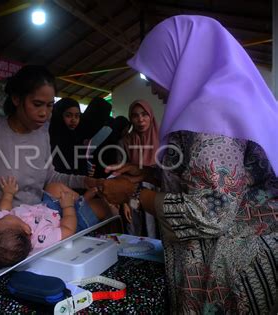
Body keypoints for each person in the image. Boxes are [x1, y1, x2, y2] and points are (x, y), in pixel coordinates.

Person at [100, 15, 277, 313]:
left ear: (179, 60)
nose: (151, 87)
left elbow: (210, 213)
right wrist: (149, 174)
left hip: (228, 274)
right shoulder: (235, 98)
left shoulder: (211, 114)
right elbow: (218, 177)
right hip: (251, 259)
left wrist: (135, 195)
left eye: (150, 75)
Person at [0, 65, 102, 225]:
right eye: (37, 104)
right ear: (17, 99)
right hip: (0, 228)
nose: (44, 113)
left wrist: (85, 181)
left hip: (36, 226)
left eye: (50, 105)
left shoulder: (42, 132)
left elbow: (50, 176)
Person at [0, 177, 104, 269]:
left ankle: (81, 200)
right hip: (70, 219)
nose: (0, 216)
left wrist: (8, 193)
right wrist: (68, 207)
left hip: (49, 208)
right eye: (1, 219)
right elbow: (68, 229)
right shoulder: (43, 239)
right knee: (100, 207)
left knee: (53, 187)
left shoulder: (3, 224)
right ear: (27, 229)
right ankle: (85, 204)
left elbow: (4, 209)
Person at [121, 100, 160, 238]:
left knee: (160, 229)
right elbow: (121, 173)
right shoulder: (125, 141)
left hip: (159, 191)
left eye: (144, 114)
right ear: (131, 119)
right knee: (136, 227)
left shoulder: (163, 140)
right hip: (133, 192)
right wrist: (125, 202)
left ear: (151, 116)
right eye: (135, 116)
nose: (140, 119)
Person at [49, 98, 86, 175]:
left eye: (77, 116)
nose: (74, 120)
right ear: (58, 115)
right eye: (68, 115)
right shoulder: (50, 139)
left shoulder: (77, 138)